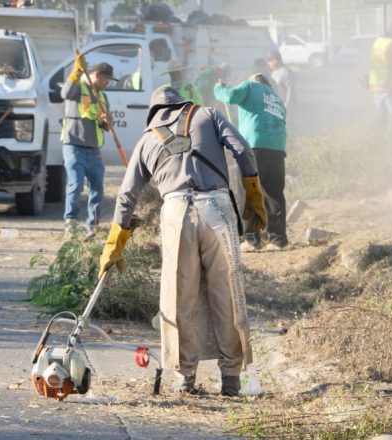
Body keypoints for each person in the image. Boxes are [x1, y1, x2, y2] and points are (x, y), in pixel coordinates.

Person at [97, 87, 267, 397]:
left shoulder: (147, 139)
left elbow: (126, 195)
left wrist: (115, 241)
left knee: (177, 298)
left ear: (154, 112)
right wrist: (253, 195)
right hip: (218, 209)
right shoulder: (209, 114)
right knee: (227, 293)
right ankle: (231, 377)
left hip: (175, 212)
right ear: (182, 103)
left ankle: (184, 378)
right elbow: (243, 150)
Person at [214, 74, 288, 251]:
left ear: (255, 80)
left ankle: (251, 240)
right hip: (277, 148)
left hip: (254, 146)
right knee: (274, 193)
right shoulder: (276, 98)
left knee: (248, 190)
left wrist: (219, 88)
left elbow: (230, 96)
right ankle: (278, 240)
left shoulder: (250, 86)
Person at [61, 54, 116, 236]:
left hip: (94, 150)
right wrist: (76, 72)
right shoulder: (79, 89)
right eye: (107, 78)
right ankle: (71, 223)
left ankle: (92, 227)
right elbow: (66, 93)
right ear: (98, 75)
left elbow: (105, 126)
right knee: (76, 185)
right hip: (74, 145)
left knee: (97, 189)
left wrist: (108, 121)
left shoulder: (102, 96)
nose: (108, 82)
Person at [369, 20, 392, 136]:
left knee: (381, 119)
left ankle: (379, 142)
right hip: (391, 88)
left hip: (377, 87)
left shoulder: (378, 42)